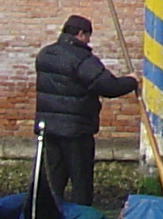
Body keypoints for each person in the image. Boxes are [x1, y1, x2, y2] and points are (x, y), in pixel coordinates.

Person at [33, 15, 140, 207]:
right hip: (76, 130)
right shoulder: (82, 59)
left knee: (52, 181)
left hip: (48, 129)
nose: (89, 41)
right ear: (81, 34)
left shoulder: (45, 55)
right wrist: (131, 81)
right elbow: (108, 87)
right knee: (81, 182)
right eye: (88, 37)